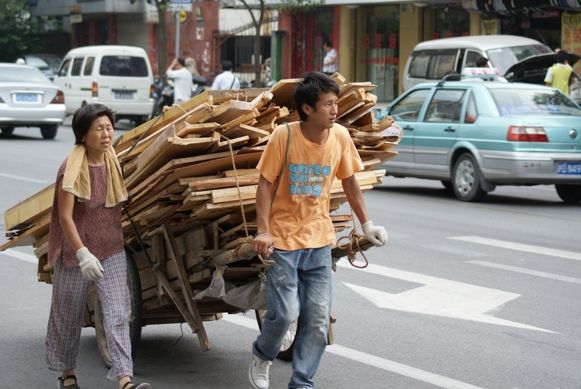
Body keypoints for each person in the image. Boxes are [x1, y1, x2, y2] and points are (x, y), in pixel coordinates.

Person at [249, 72, 388, 389]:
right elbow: (265, 184)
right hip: (283, 241)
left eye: (335, 103)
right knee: (284, 315)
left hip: (319, 241)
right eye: (328, 104)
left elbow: (350, 181)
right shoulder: (283, 137)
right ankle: (261, 353)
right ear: (308, 109)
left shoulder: (339, 136)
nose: (334, 109)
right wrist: (263, 231)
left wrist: (366, 224)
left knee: (317, 320)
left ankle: (302, 383)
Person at [45, 103, 151, 389]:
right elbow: (65, 217)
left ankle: (124, 379)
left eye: (109, 128)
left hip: (111, 247)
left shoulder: (112, 162)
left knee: (118, 313)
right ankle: (66, 374)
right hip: (75, 252)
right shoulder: (71, 169)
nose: (106, 134)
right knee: (68, 315)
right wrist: (81, 254)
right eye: (98, 129)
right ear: (83, 135)